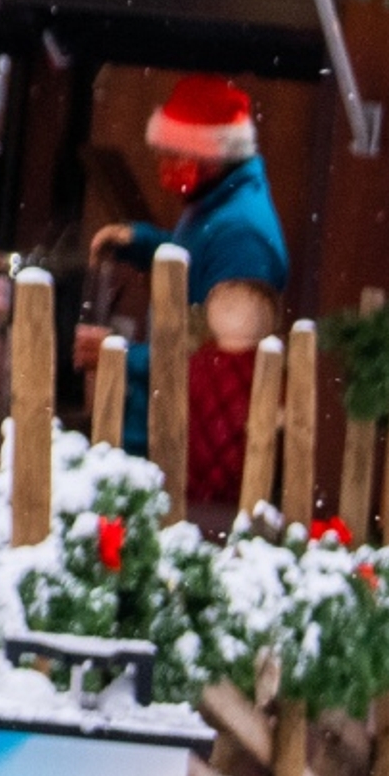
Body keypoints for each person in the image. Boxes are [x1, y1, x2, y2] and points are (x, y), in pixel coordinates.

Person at [90, 72, 286, 504]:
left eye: (174, 157)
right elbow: (195, 268)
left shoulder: (241, 236)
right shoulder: (215, 207)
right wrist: (142, 244)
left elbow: (213, 358)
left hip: (191, 453)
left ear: (212, 155)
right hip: (170, 429)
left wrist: (120, 356)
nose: (164, 169)